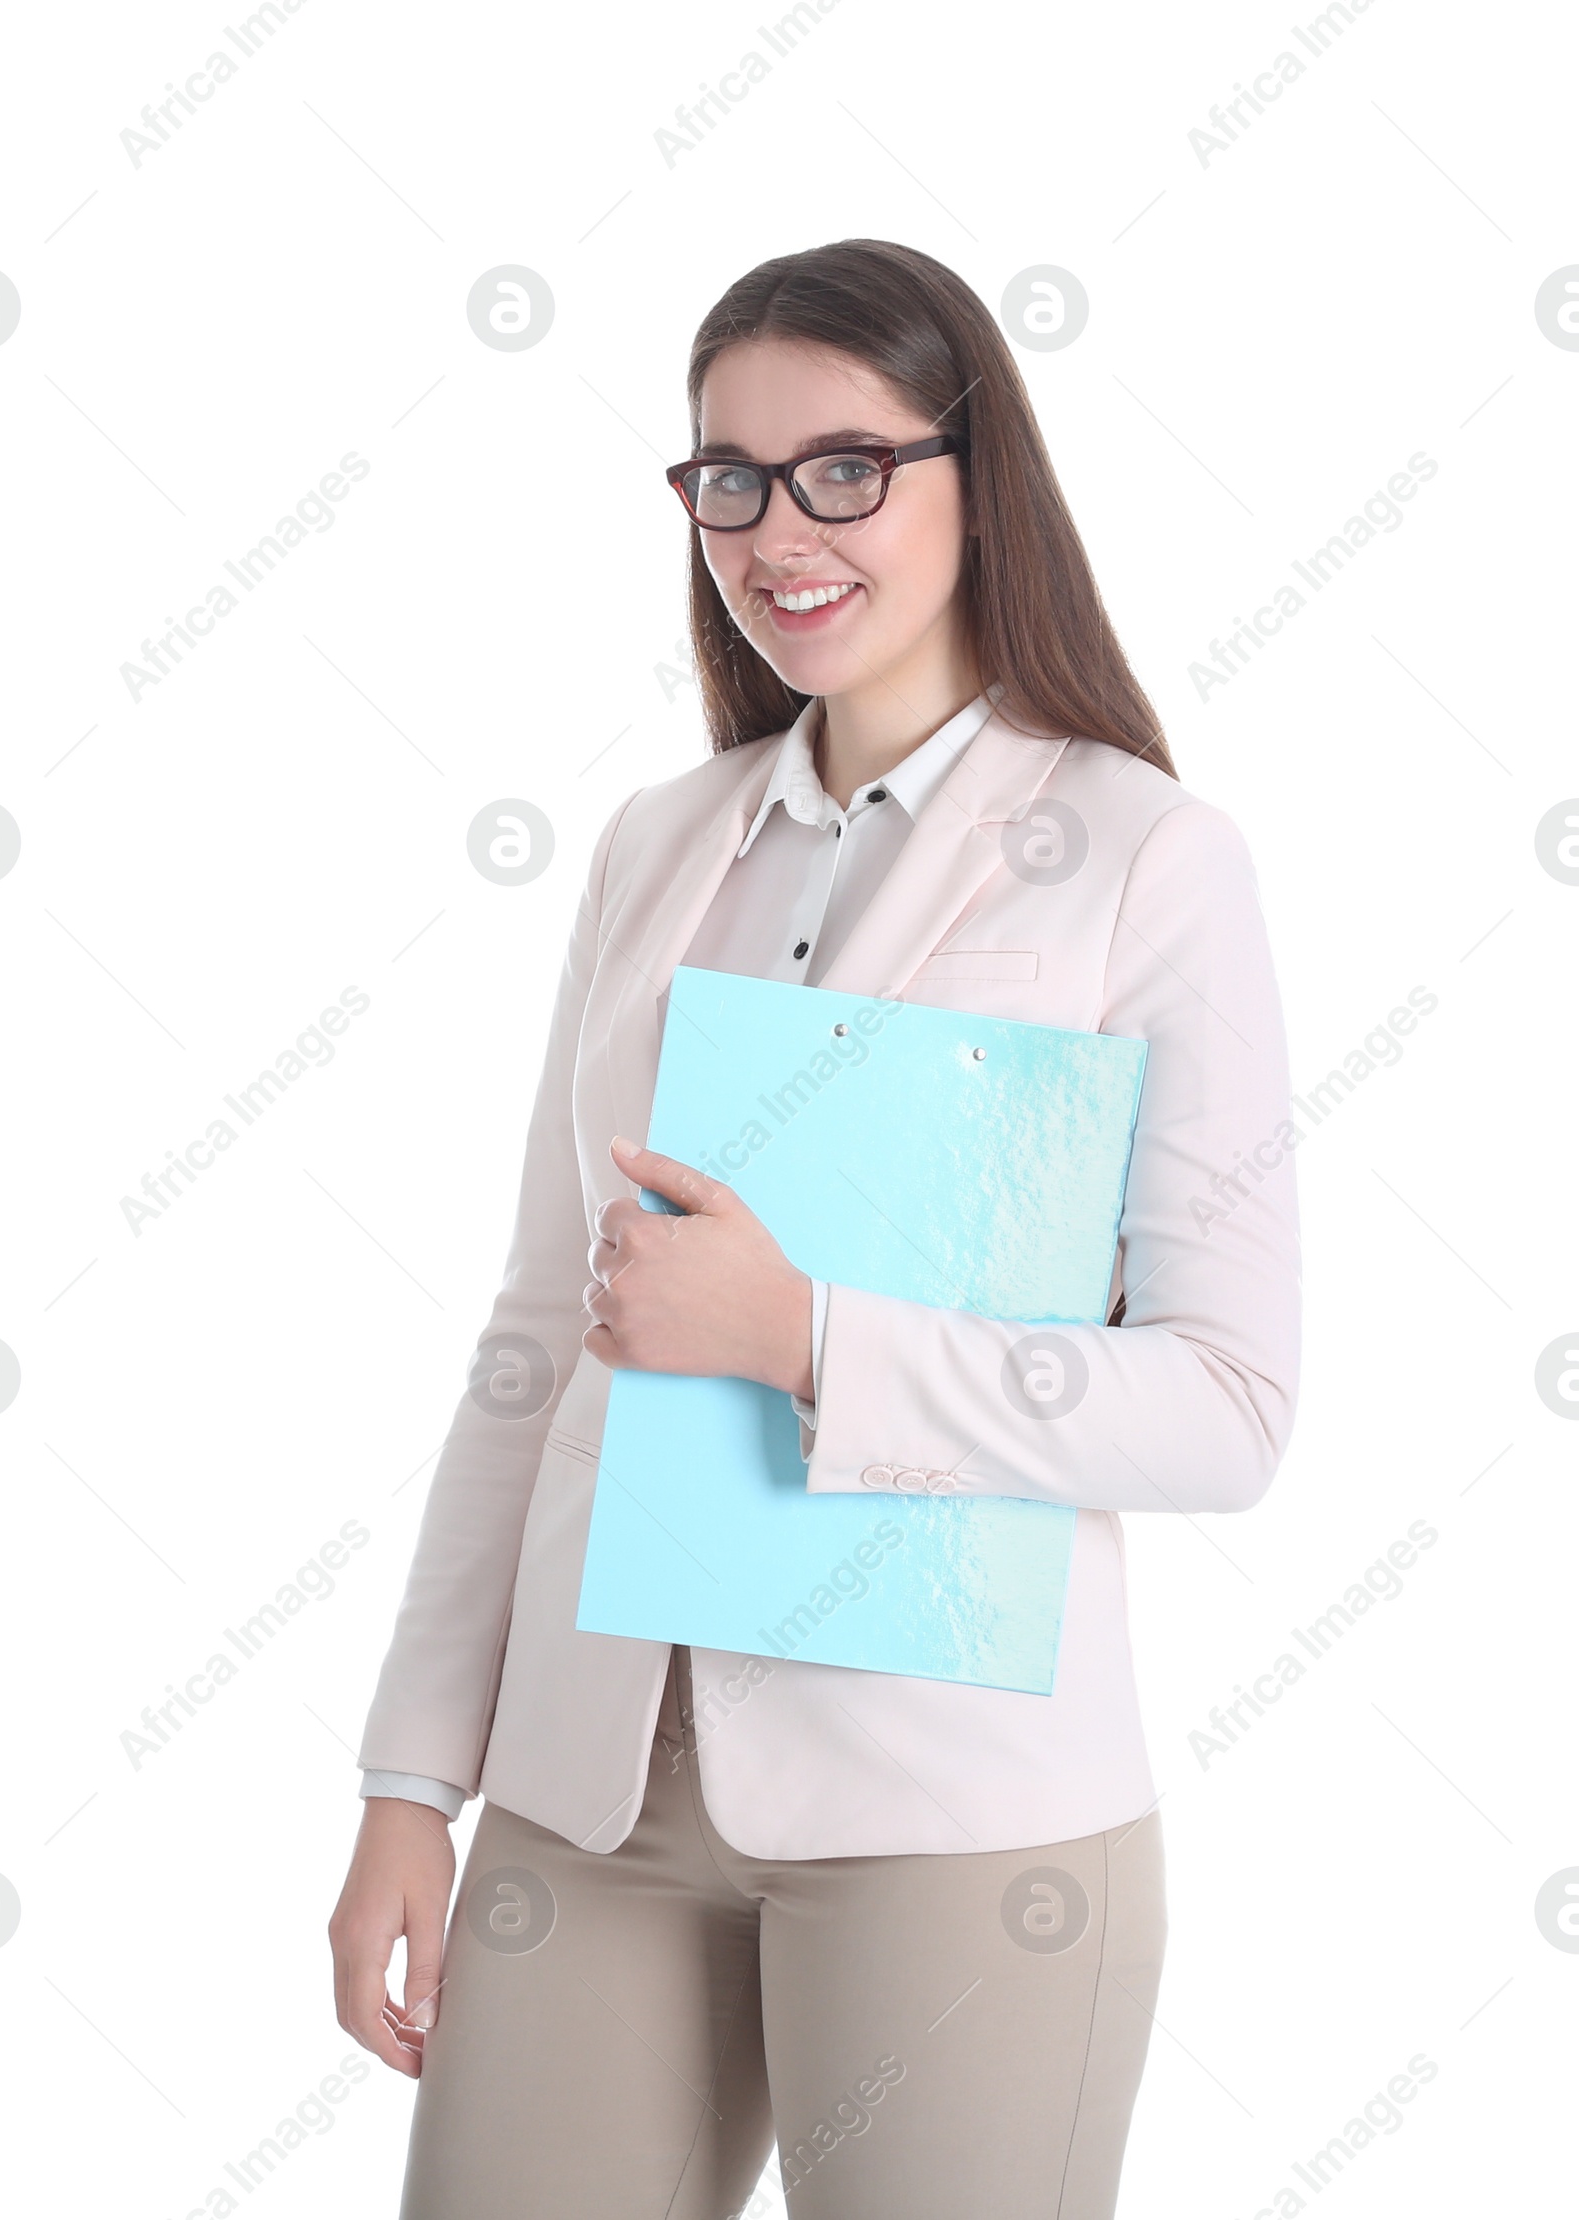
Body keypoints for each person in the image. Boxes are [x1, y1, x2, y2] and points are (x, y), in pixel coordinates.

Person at [328, 236, 1301, 2219]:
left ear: (976, 477)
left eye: (845, 468)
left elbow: (1222, 1407)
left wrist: (804, 1340)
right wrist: (411, 1784)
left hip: (953, 1819)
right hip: (594, 1797)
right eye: (728, 477)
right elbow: (533, 1332)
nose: (778, 530)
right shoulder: (652, 845)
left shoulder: (1141, 860)